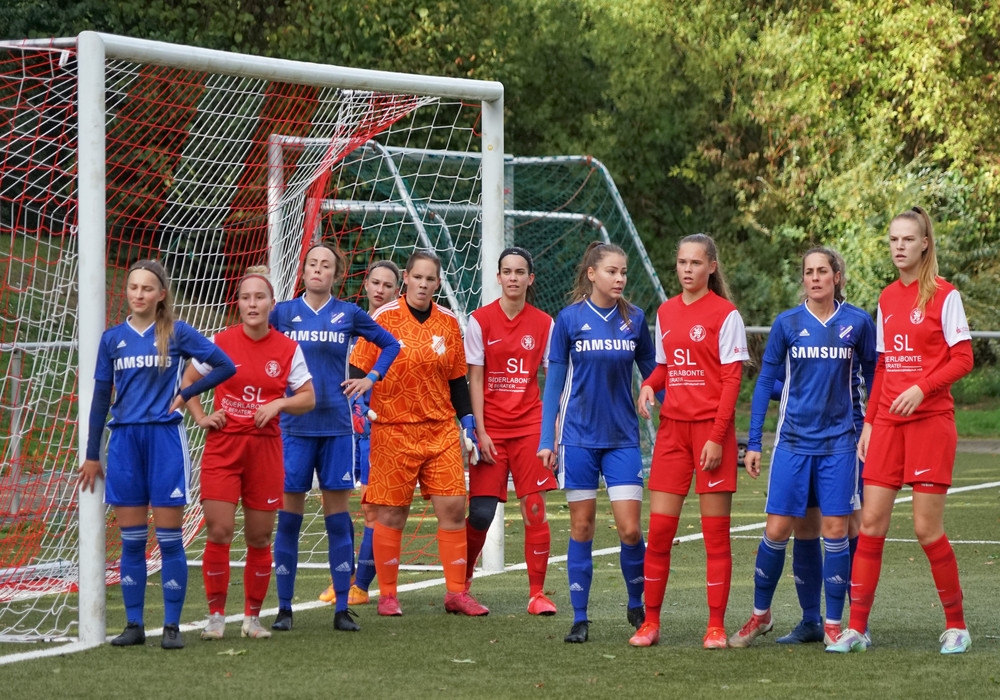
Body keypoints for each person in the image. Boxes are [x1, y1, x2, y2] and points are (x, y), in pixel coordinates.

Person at [827, 206, 974, 655]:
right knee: (871, 524)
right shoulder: (887, 297)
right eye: (893, 240)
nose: (899, 246)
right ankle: (857, 629)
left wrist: (922, 388)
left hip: (931, 423)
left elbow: (963, 358)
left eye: (908, 239)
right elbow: (884, 367)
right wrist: (870, 422)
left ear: (925, 243)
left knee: (926, 529)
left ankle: (957, 626)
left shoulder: (945, 295)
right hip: (888, 424)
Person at [79, 259, 236, 650]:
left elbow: (224, 365)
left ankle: (171, 626)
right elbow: (100, 399)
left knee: (169, 539)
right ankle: (134, 624)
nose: (139, 294)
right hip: (125, 443)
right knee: (132, 540)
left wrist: (186, 394)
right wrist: (92, 454)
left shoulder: (176, 332)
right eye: (133, 287)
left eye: (147, 288)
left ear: (161, 294)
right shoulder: (112, 339)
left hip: (165, 442)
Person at [729, 247, 876, 648]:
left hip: (840, 444)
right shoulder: (788, 323)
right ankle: (764, 615)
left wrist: (871, 428)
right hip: (792, 443)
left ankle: (834, 624)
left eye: (822, 271)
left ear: (836, 277)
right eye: (809, 272)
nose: (815, 278)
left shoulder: (858, 322)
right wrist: (754, 441)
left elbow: (874, 377)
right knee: (780, 529)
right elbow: (764, 382)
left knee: (836, 528)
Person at [269, 245, 400, 633]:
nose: (317, 270)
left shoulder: (349, 314)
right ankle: (284, 609)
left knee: (338, 521)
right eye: (312, 263)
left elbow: (391, 344)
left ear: (336, 274)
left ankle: (343, 608)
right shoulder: (282, 313)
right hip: (293, 430)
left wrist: (370, 378)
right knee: (288, 521)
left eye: (325, 265)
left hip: (337, 430)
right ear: (303, 270)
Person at [351, 249, 488, 617]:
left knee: (454, 507)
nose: (423, 284)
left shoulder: (448, 322)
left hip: (440, 430)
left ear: (438, 283)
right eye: (418, 277)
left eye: (430, 279)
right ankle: (388, 596)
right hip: (393, 430)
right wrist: (357, 405)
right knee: (391, 515)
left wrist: (468, 421)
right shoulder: (383, 318)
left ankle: (456, 594)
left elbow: (457, 379)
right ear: (406, 278)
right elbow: (357, 367)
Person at [631, 233, 749, 649]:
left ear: (711, 267)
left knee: (715, 536)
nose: (687, 269)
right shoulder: (665, 311)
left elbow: (732, 381)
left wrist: (717, 437)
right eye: (682, 262)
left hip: (711, 434)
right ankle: (650, 623)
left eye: (696, 263)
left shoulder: (726, 314)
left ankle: (715, 626)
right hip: (672, 434)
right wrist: (649, 384)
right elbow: (665, 367)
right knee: (660, 532)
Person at [184, 267, 316, 641]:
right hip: (223, 449)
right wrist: (202, 417)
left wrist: (279, 404)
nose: (252, 304)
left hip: (265, 451)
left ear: (272, 304)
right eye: (246, 298)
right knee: (219, 530)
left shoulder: (287, 349)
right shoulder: (220, 342)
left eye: (259, 297)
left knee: (259, 537)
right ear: (238, 304)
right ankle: (215, 617)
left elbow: (309, 398)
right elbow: (188, 382)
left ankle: (252, 619)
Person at [537, 241, 657, 644]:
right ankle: (580, 617)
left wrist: (661, 395)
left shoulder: (635, 319)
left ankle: (636, 604)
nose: (620, 278)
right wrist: (547, 438)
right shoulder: (569, 320)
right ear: (592, 274)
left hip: (623, 439)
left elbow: (653, 373)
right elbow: (554, 385)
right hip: (577, 439)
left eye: (623, 272)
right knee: (582, 526)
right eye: (611, 271)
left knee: (630, 530)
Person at [464, 247, 557, 614]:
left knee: (534, 507)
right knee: (481, 513)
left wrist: (550, 432)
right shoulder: (480, 320)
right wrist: (481, 431)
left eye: (520, 272)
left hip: (530, 426)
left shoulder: (545, 323)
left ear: (530, 279)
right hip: (491, 429)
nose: (513, 277)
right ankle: (461, 585)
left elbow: (552, 380)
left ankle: (537, 594)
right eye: (507, 271)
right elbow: (475, 379)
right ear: (498, 277)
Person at [318, 259, 402, 607]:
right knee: (334, 505)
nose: (380, 290)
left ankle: (361, 586)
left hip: (375, 431)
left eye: (388, 285)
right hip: (337, 429)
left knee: (371, 509)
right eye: (375, 283)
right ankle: (342, 576)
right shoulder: (346, 323)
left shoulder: (392, 331)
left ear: (398, 291)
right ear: (365, 284)